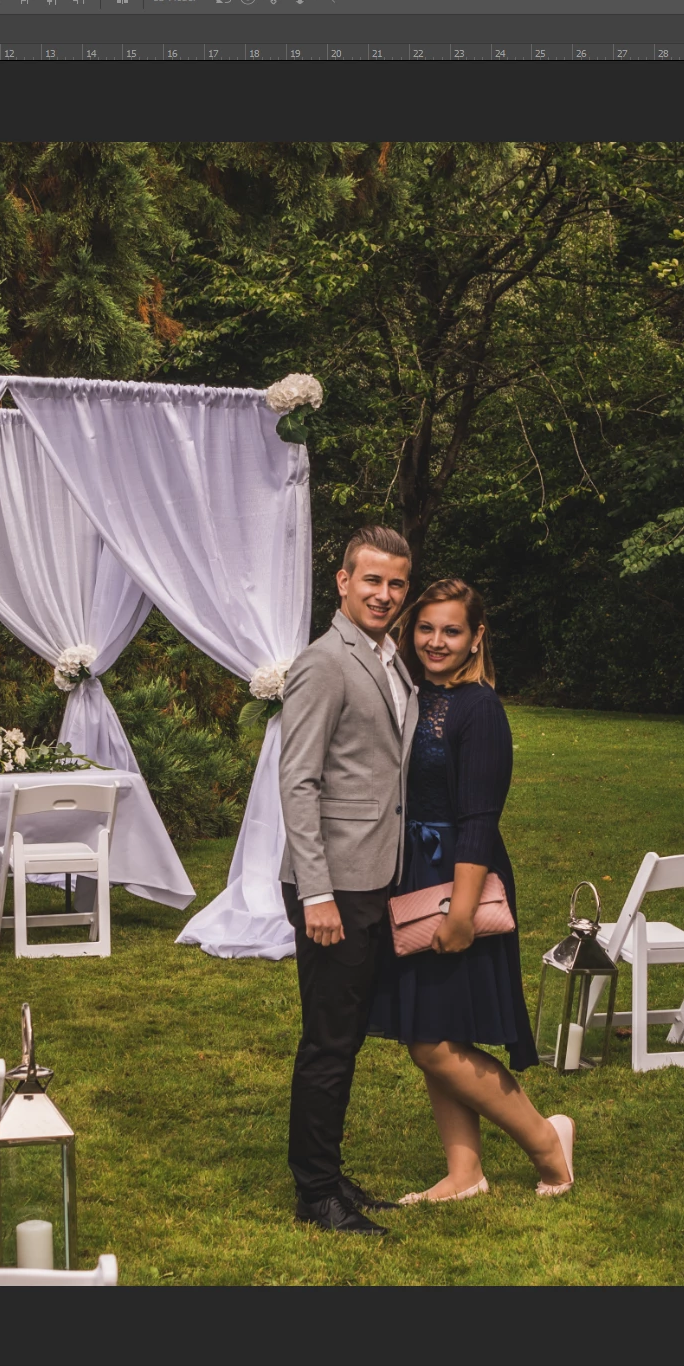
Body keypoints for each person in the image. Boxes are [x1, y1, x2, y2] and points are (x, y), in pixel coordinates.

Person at [368, 578, 574, 1202]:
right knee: (433, 1031)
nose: (436, 641)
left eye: (451, 631)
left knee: (433, 1042)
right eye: (425, 628)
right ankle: (464, 1173)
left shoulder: (479, 709)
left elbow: (480, 820)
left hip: (458, 876)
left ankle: (549, 1145)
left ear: (476, 637)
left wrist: (460, 912)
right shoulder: (413, 694)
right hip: (411, 874)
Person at [276, 526, 417, 1236]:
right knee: (330, 1041)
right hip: (333, 885)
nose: (384, 594)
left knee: (347, 1036)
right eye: (372, 581)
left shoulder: (387, 658)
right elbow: (298, 781)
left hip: (373, 875)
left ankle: (328, 1174)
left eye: (396, 583)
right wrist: (317, 892)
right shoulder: (325, 662)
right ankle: (315, 1195)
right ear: (342, 581)